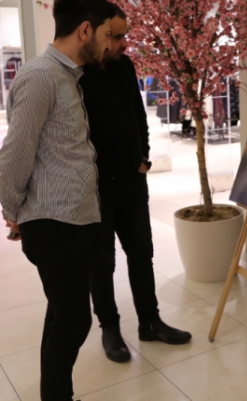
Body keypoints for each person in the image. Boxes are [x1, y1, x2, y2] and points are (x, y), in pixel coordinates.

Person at [0, 0, 113, 399]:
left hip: (74, 222)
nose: (108, 46)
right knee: (73, 322)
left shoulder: (68, 77)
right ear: (85, 30)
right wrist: (13, 212)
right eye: (104, 36)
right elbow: (14, 155)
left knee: (62, 317)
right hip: (54, 225)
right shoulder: (40, 77)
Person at [79, 2, 191, 364]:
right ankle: (110, 330)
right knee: (102, 262)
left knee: (142, 254)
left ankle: (150, 321)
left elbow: (137, 114)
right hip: (96, 188)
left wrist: (143, 157)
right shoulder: (76, 74)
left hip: (132, 181)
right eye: (115, 35)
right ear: (94, 32)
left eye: (124, 34)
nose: (123, 43)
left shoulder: (125, 66)